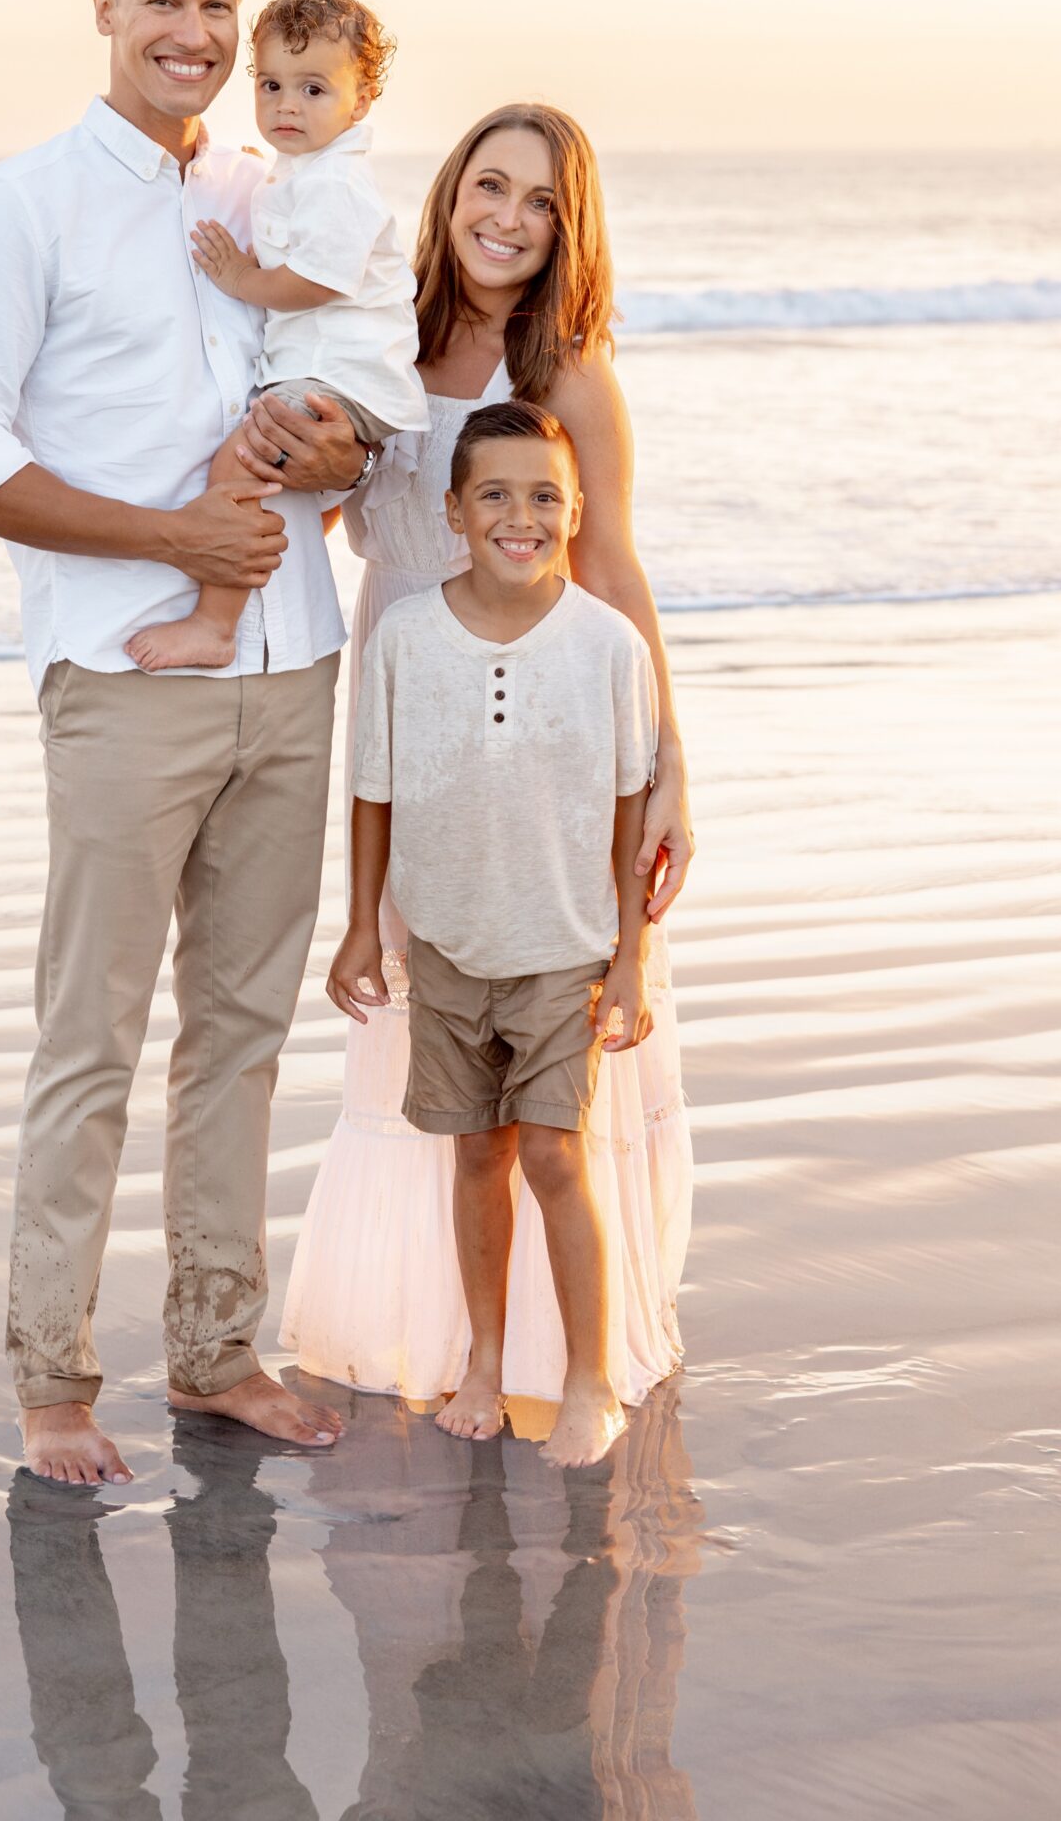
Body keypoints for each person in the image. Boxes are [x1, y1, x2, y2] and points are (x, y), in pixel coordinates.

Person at [0, 0, 367, 1487]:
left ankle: (218, 1351)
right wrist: (170, 535)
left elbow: (354, 382)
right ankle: (52, 1381)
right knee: (89, 1042)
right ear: (104, 7)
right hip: (120, 678)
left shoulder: (269, 198)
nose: (197, 32)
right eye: (165, 0)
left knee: (240, 1037)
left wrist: (345, 451)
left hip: (295, 661)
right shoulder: (18, 209)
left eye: (220, 6)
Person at [278, 103, 695, 1409]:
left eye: (542, 204)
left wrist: (670, 753)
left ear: (570, 232)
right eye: (491, 186)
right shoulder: (379, 334)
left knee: (546, 1037)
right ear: (452, 188)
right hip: (407, 687)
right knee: (426, 1019)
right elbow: (330, 486)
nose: (509, 220)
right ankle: (447, 1335)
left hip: (544, 720)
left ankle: (560, 1357)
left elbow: (613, 562)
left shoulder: (564, 370)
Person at [336, 401, 658, 1465]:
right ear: (452, 512)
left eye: (543, 498)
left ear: (572, 512)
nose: (520, 517)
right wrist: (357, 930)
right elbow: (371, 794)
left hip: (564, 947)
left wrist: (627, 964)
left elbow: (627, 812)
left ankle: (587, 1376)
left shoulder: (607, 645)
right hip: (445, 945)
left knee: (558, 1160)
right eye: (495, 495)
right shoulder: (402, 638)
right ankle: (481, 1359)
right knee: (478, 1155)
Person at [126, 0, 426, 674]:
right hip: (335, 375)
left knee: (239, 459)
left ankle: (214, 621)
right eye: (271, 86)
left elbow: (317, 280)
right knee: (265, 476)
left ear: (361, 100)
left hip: (345, 377)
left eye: (314, 90)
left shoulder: (337, 184)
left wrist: (240, 280)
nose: (287, 105)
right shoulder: (304, 173)